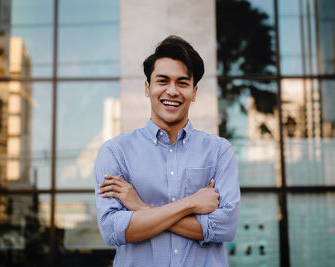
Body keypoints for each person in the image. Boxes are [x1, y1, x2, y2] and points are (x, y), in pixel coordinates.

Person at [94, 35, 240, 267]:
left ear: (194, 92)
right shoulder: (115, 152)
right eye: (162, 81)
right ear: (147, 88)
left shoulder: (218, 151)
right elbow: (113, 230)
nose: (172, 91)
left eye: (182, 83)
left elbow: (225, 227)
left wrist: (140, 208)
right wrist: (191, 204)